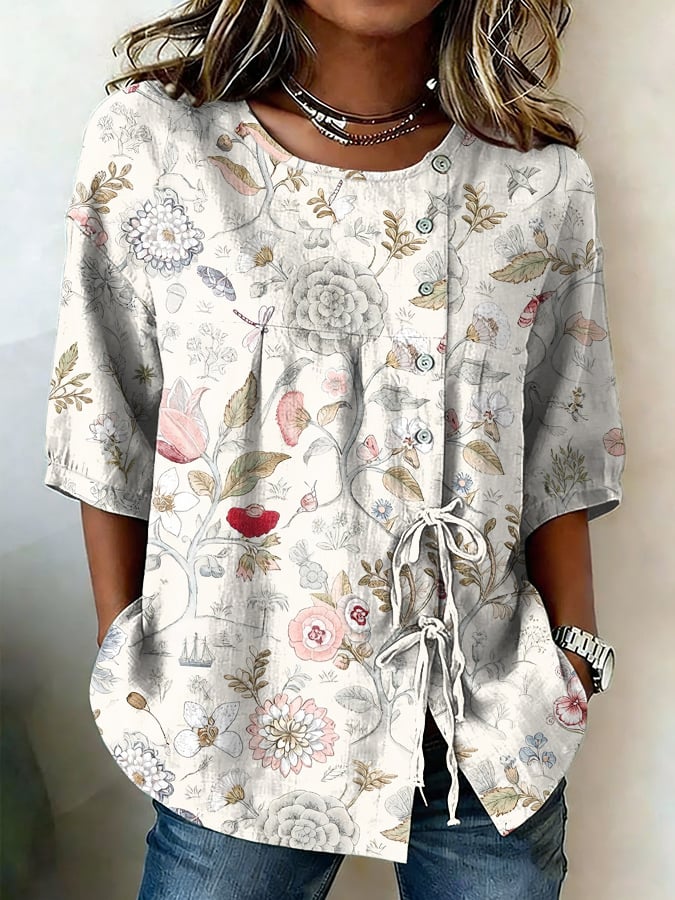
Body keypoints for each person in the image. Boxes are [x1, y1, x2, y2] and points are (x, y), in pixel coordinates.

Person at [43, 1, 625, 898]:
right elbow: (105, 414)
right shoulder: (156, 146)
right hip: (233, 720)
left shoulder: (537, 182)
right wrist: (131, 646)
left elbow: (562, 440)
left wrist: (573, 659)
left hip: (483, 725)